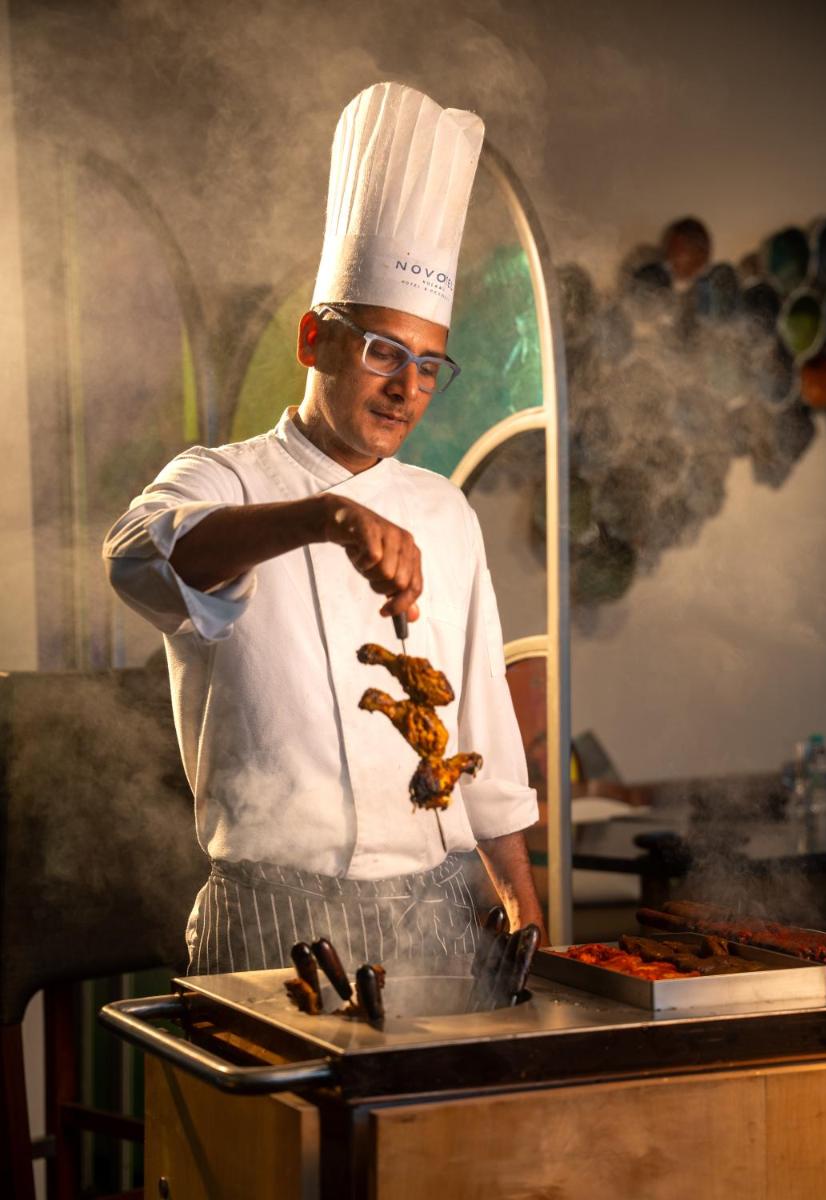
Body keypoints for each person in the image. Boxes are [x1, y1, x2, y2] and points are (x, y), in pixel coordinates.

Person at [103, 82, 544, 976]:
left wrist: (528, 909)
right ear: (314, 338)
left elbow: (485, 747)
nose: (405, 389)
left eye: (428, 366)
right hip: (269, 918)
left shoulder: (445, 513)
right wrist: (323, 517)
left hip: (437, 917)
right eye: (384, 350)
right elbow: (137, 558)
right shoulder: (221, 478)